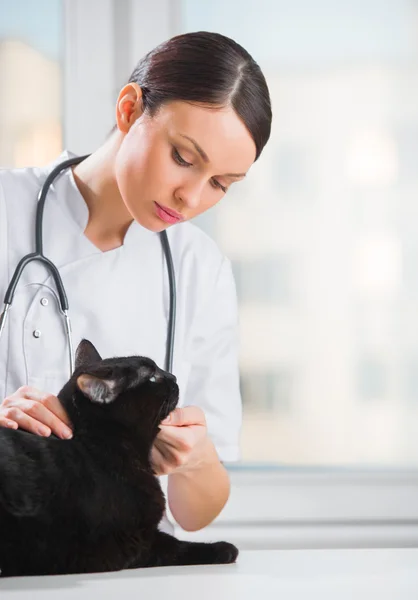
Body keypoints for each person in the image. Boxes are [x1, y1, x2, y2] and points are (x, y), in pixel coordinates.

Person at [0, 31, 272, 533]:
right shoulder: (6, 212)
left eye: (219, 184)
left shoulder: (200, 269)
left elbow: (195, 515)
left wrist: (193, 460)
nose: (190, 197)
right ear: (128, 109)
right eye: (184, 159)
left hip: (126, 570)